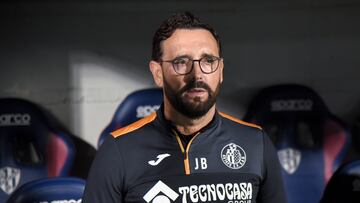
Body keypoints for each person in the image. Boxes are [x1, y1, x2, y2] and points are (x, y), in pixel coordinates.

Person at [82, 11, 287, 203]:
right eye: (181, 62)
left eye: (208, 60)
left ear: (221, 70)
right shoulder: (118, 151)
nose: (197, 74)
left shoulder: (256, 143)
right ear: (157, 73)